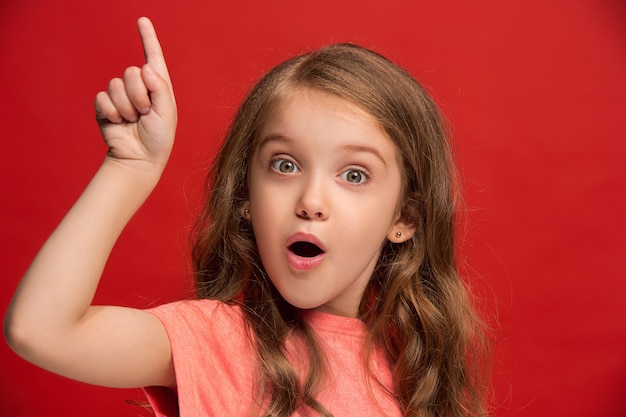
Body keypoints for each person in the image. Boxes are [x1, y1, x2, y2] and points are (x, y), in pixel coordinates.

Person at [4, 17, 490, 417]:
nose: (311, 200)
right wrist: (129, 168)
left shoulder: (411, 380)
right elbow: (42, 330)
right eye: (285, 165)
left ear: (403, 217)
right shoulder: (217, 341)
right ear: (245, 197)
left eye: (355, 175)